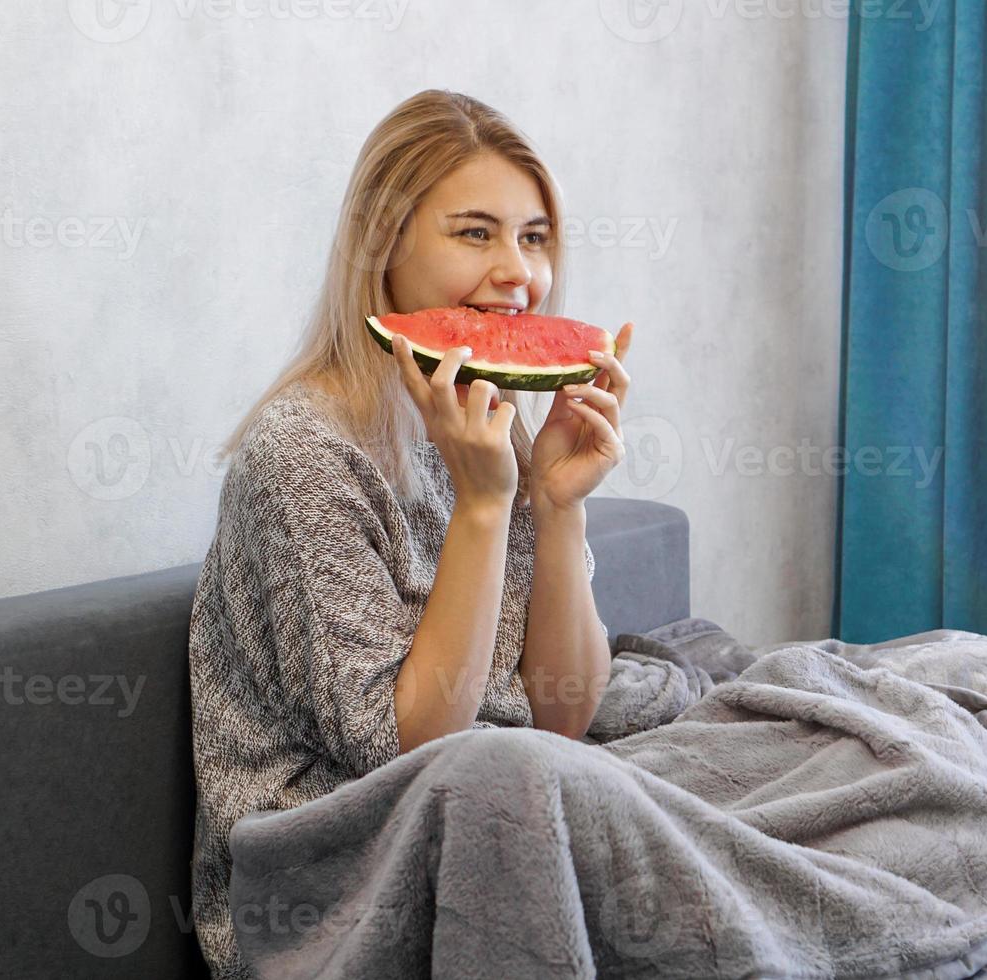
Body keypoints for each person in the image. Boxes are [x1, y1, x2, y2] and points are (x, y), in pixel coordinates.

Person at [186, 89, 636, 979]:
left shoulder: (489, 425)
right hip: (336, 890)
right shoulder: (301, 454)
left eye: (534, 237)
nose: (519, 273)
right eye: (476, 233)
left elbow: (568, 712)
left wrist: (554, 503)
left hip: (508, 801)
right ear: (383, 242)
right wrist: (482, 508)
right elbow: (412, 753)